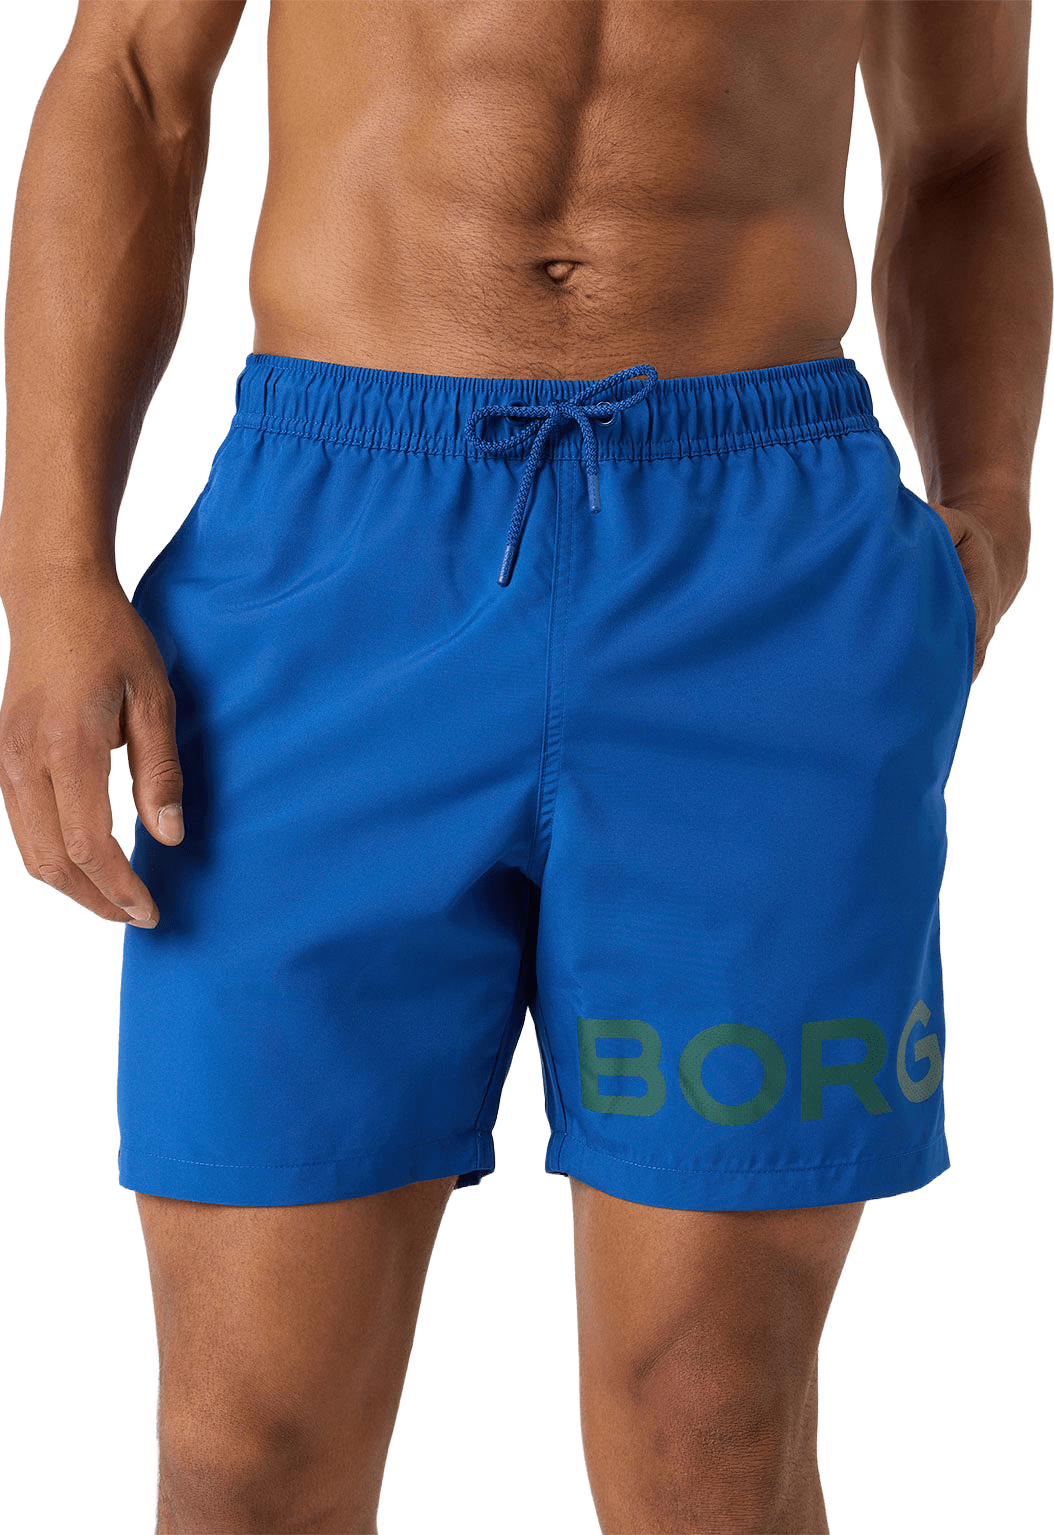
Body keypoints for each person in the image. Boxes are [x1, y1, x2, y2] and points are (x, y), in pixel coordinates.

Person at [0, 1, 1047, 1531]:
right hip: (334, 552)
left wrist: (993, 499)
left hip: (756, 570)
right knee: (244, 1455)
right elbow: (134, 79)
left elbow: (962, 151)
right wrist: (50, 577)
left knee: (711, 1429)